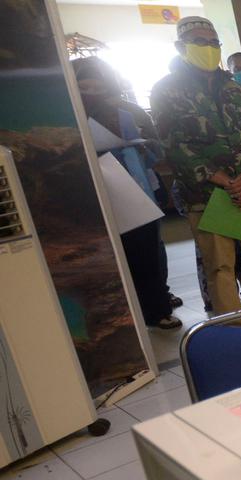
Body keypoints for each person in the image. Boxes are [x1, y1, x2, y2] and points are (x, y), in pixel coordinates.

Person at [151, 16, 241, 316]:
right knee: (221, 269)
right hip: (206, 196)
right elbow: (174, 145)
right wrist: (226, 181)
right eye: (200, 43)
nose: (209, 48)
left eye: (213, 43)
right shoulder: (166, 90)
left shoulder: (234, 88)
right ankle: (233, 335)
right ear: (180, 46)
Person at [73, 56, 181, 330]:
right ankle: (118, 316)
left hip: (134, 192)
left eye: (97, 89)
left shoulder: (125, 114)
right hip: (88, 197)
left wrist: (140, 147)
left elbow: (155, 150)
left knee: (146, 254)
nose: (92, 95)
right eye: (84, 89)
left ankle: (157, 309)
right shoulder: (68, 119)